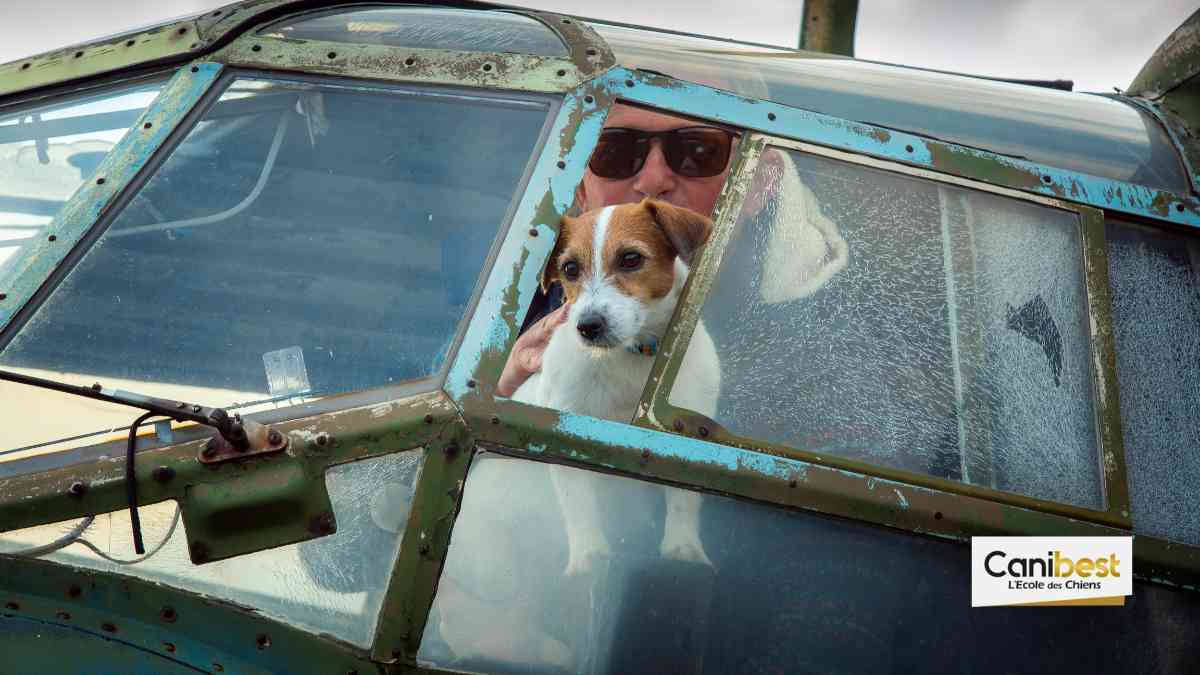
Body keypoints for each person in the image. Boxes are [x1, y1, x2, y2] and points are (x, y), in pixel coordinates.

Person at [496, 103, 737, 397]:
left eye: (698, 151)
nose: (652, 181)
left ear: (755, 176)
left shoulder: (794, 332)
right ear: (581, 191)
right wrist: (503, 388)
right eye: (615, 153)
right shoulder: (505, 305)